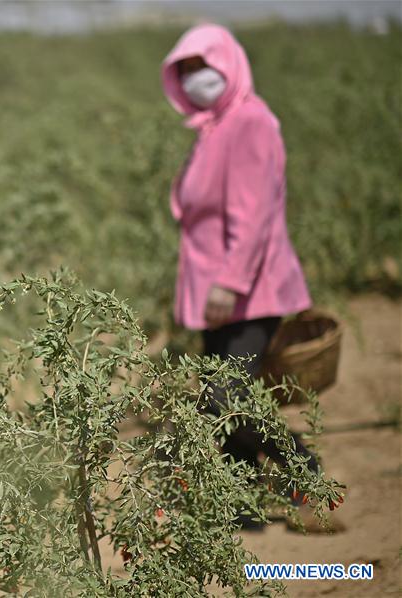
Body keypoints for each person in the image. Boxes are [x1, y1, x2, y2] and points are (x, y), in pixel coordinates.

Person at [161, 25, 339, 531]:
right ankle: (242, 508)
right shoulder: (213, 127)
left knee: (226, 396)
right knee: (224, 396)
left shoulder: (253, 122)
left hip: (247, 291)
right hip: (213, 293)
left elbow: (255, 215)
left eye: (205, 68)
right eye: (187, 71)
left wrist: (229, 281)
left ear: (231, 65)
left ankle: (310, 478)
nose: (197, 80)